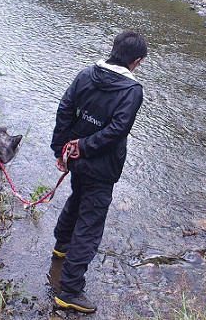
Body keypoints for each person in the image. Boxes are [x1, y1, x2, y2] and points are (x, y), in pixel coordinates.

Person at [50, 30, 147, 313]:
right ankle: (69, 290)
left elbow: (65, 108)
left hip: (77, 159)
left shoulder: (85, 74)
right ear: (136, 60)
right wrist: (85, 147)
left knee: (77, 198)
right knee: (90, 224)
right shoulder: (132, 91)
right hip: (102, 166)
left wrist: (62, 149)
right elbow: (118, 130)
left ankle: (61, 246)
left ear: (114, 48)